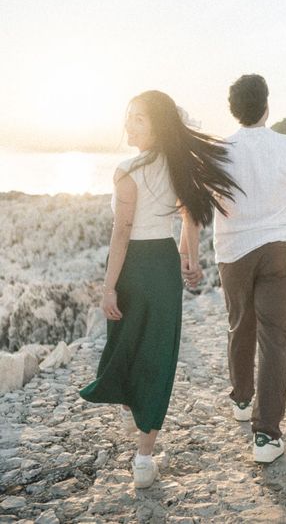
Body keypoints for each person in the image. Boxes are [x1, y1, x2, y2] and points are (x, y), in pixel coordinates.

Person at [79, 90, 240, 488]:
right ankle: (145, 456)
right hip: (163, 264)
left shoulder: (127, 170)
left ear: (158, 125)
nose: (130, 126)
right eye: (129, 117)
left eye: (140, 119)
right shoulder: (179, 166)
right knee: (157, 352)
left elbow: (122, 231)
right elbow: (191, 216)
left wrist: (108, 287)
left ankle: (140, 441)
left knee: (129, 345)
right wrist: (189, 256)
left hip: (135, 265)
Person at [213, 74, 286, 464]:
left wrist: (187, 250)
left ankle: (242, 399)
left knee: (240, 324)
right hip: (283, 248)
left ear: (233, 110)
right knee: (276, 337)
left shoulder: (219, 151)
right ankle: (266, 436)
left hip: (234, 251)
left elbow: (200, 206)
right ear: (267, 105)